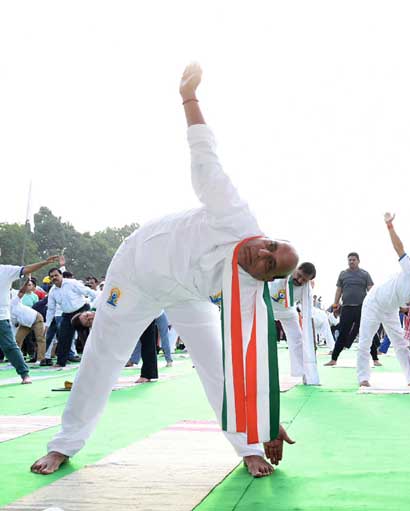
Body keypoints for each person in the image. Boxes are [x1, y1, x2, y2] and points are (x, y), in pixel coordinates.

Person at [30, 63, 298, 478]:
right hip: (134, 275)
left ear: (265, 280)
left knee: (216, 364)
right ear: (270, 236)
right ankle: (64, 445)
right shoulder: (237, 216)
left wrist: (265, 420)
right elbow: (205, 158)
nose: (262, 254)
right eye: (272, 246)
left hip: (186, 294)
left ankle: (247, 446)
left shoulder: (247, 291)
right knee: (101, 358)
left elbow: (247, 362)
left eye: (269, 265)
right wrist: (189, 98)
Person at [357, 213, 410, 387]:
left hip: (390, 310)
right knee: (365, 342)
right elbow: (399, 248)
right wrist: (389, 226)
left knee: (401, 345)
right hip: (373, 303)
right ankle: (363, 378)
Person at [1, 255, 60, 383]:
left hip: (30, 319)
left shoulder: (5, 271)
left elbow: (26, 269)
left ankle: (26, 372)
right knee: (17, 341)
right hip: (24, 322)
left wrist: (45, 262)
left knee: (12, 346)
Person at [267, 262, 320, 384]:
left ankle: (304, 374)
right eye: (299, 275)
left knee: (298, 340)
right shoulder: (280, 271)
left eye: (304, 280)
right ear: (296, 268)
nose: (300, 280)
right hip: (267, 307)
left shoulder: (306, 289)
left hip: (288, 312)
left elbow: (308, 315)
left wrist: (312, 341)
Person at [325, 253, 374, 366]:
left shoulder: (365, 274)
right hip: (346, 307)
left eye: (353, 260)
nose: (351, 262)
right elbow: (338, 290)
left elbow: (371, 290)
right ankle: (334, 359)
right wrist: (335, 304)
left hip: (361, 308)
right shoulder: (343, 274)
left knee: (366, 332)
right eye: (350, 260)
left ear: (358, 261)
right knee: (342, 333)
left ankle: (375, 358)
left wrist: (373, 304)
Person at [45, 267, 97, 368]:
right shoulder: (52, 291)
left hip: (82, 310)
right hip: (67, 314)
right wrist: (47, 324)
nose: (54, 278)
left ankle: (92, 361)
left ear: (61, 275)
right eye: (52, 277)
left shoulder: (72, 283)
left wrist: (98, 304)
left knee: (85, 336)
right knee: (63, 337)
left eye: (56, 275)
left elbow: (88, 292)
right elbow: (51, 309)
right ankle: (61, 362)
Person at [11, 279, 48, 365]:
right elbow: (13, 323)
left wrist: (26, 282)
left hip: (36, 318)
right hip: (25, 323)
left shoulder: (14, 301)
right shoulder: (4, 312)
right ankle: (17, 360)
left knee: (40, 339)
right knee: (17, 340)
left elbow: (21, 292)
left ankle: (41, 359)